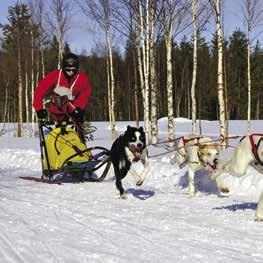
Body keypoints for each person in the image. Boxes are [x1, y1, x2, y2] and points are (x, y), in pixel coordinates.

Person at [33, 53, 91, 125]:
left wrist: (79, 107)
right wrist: (39, 109)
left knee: (77, 129)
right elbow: (39, 91)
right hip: (57, 110)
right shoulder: (55, 76)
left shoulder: (82, 78)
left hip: (74, 110)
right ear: (63, 68)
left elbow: (84, 94)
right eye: (68, 70)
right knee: (59, 133)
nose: (71, 72)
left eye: (73, 70)